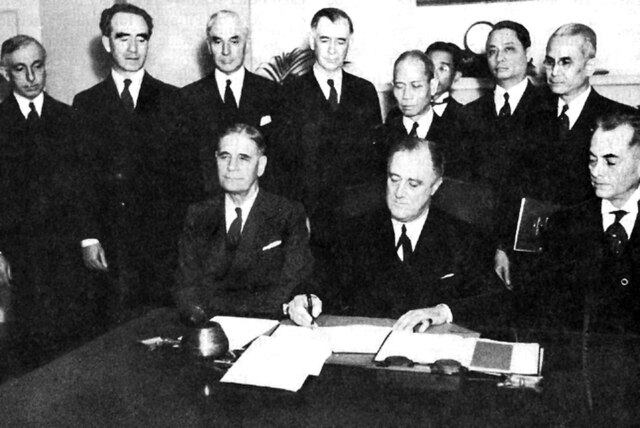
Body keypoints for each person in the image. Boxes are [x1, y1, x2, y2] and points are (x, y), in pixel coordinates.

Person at [286, 137, 504, 331]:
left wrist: (442, 311)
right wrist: (307, 298)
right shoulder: (353, 232)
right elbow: (320, 281)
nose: (399, 193)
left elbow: (497, 301)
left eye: (413, 184)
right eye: (394, 179)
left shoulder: (465, 238)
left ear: (435, 186)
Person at [73, 3, 200, 325]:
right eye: (123, 37)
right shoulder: (87, 104)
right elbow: (82, 178)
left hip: (163, 244)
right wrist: (89, 237)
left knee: (164, 330)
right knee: (114, 334)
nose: (132, 48)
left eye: (141, 39)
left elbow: (189, 179)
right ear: (106, 42)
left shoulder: (174, 100)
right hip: (111, 244)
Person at [0, 35, 91, 368]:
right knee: (29, 343)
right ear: (5, 72)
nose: (31, 77)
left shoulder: (68, 118)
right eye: (20, 69)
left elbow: (84, 188)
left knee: (72, 339)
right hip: (20, 253)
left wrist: (87, 238)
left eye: (37, 67)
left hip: (67, 252)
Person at [174, 124, 314, 321]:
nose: (232, 167)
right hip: (209, 330)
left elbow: (296, 283)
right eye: (225, 156)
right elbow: (187, 291)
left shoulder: (287, 214)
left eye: (243, 158)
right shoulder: (198, 215)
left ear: (262, 165)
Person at [277, 7, 382, 250]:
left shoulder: (365, 92)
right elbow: (283, 166)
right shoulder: (289, 94)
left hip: (359, 221)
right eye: (325, 40)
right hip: (310, 221)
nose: (333, 50)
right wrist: (295, 217)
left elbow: (376, 161)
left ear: (350, 43)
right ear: (312, 41)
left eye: (340, 41)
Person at [458, 20, 549, 288]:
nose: (500, 58)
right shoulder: (469, 115)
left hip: (529, 247)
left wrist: (506, 246)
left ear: (528, 53)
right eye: (492, 51)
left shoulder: (549, 109)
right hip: (478, 246)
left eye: (509, 49)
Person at [542, 112, 640, 333]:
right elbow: (540, 299)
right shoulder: (564, 224)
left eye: (610, 161)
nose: (596, 172)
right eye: (592, 160)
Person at [181, 10, 279, 194]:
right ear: (209, 46)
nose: (226, 51)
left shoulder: (272, 93)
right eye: (218, 41)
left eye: (234, 41)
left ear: (246, 44)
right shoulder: (187, 98)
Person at [540, 23, 636, 205]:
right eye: (550, 62)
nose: (554, 72)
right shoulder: (530, 113)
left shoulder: (621, 118)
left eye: (565, 62)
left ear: (590, 66)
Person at [381, 50, 464, 177]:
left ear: (433, 86)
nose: (406, 95)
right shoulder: (380, 136)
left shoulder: (457, 135)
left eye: (416, 86)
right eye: (399, 86)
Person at [425, 41, 463, 125]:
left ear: (456, 76)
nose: (434, 75)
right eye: (430, 66)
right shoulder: (400, 112)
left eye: (442, 68)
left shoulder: (464, 116)